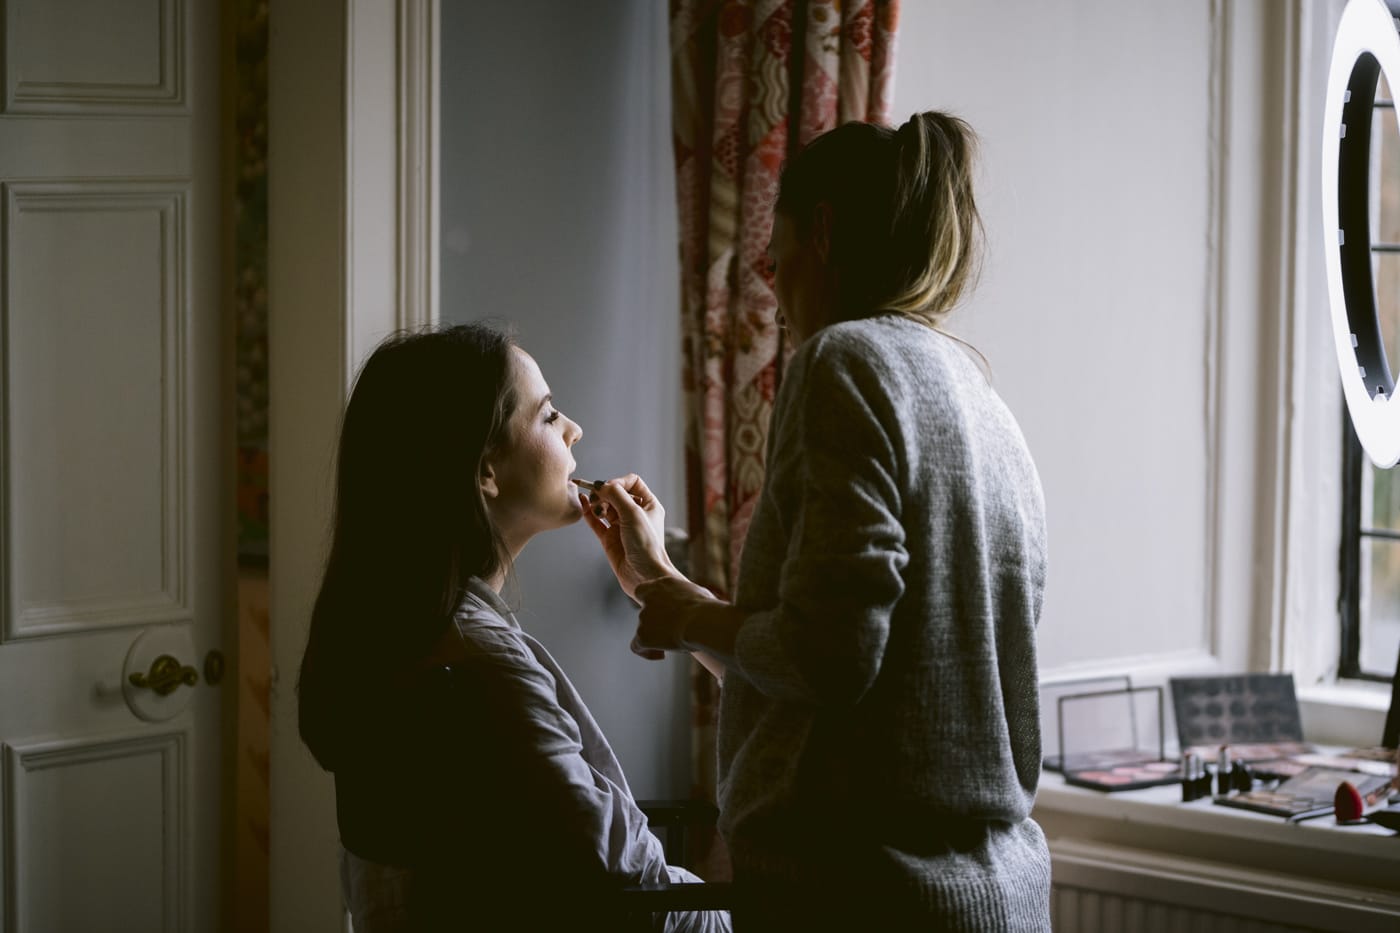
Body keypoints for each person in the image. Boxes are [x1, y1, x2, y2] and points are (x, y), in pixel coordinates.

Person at [583, 112, 1052, 931]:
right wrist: (664, 585)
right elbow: (833, 689)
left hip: (868, 897)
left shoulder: (847, 361)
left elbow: (831, 656)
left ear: (824, 233)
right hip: (997, 895)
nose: (768, 274)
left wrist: (690, 612)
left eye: (778, 244)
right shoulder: (986, 405)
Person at [297, 322, 730, 933]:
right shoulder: (482, 668)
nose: (575, 429)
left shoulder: (399, 634)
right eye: (550, 416)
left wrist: (657, 584)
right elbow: (632, 890)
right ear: (485, 473)